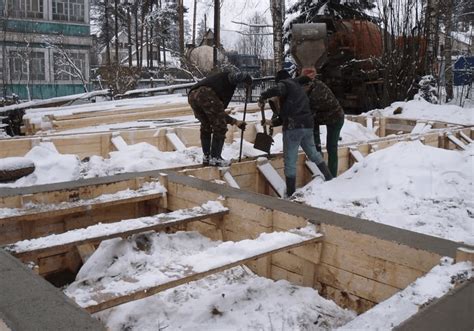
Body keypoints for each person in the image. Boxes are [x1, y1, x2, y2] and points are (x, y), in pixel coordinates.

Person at [258, 69, 333, 197]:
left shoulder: (285, 84)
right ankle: (329, 177)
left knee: (290, 160)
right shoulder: (297, 88)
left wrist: (263, 96)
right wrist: (271, 123)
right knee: (313, 153)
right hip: (307, 125)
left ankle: (291, 192)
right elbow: (287, 114)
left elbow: (279, 89)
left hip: (293, 128)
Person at [188, 71, 251, 167]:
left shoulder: (219, 85)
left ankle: (207, 157)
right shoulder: (227, 78)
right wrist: (246, 77)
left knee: (206, 125)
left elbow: (218, 113)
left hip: (192, 95)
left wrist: (235, 122)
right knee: (220, 126)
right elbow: (220, 114)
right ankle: (215, 158)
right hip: (205, 93)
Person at [296, 73, 345, 177]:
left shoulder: (316, 95)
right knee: (315, 145)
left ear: (307, 86)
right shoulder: (310, 85)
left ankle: (331, 175)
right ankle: (318, 157)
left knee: (331, 147)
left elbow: (308, 116)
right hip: (320, 117)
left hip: (335, 119)